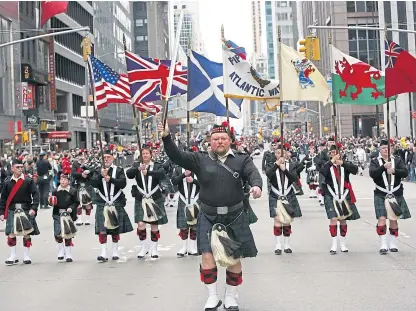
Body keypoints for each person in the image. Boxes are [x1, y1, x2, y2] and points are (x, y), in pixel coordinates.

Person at [159, 121, 262, 311]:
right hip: (208, 215)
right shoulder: (199, 159)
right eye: (215, 139)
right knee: (207, 256)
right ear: (210, 142)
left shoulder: (241, 159)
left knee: (233, 258)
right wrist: (166, 138)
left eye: (223, 138)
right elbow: (177, 156)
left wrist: (256, 186)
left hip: (234, 215)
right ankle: (212, 297)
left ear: (230, 140)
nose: (220, 142)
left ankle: (231, 297)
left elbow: (253, 173)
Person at [90, 150, 133, 262]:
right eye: (104, 157)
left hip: (115, 201)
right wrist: (101, 175)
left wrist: (111, 179)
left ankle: (115, 251)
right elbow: (93, 183)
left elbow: (123, 184)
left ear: (113, 158)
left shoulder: (118, 170)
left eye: (108, 157)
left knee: (115, 229)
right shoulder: (97, 170)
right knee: (102, 229)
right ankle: (103, 252)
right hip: (102, 202)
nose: (106, 159)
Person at [369, 139, 410, 254]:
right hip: (380, 193)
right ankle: (383, 243)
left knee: (393, 220)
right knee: (381, 218)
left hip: (395, 192)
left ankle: (392, 243)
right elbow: (373, 174)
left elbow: (405, 172)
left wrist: (394, 170)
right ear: (379, 150)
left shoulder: (397, 160)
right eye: (383, 148)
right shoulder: (375, 161)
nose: (386, 150)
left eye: (387, 148)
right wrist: (383, 167)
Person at [126, 147, 167, 259]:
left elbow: (162, 174)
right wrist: (138, 169)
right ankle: (144, 247)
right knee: (140, 224)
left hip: (154, 197)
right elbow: (129, 174)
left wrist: (148, 172)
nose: (145, 155)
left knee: (154, 224)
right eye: (143, 154)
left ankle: (154, 248)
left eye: (146, 153)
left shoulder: (157, 165)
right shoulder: (137, 165)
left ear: (150, 155)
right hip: (141, 198)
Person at [320, 145, 360, 254]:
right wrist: (331, 162)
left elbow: (355, 170)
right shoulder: (327, 165)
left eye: (336, 152)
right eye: (332, 152)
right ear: (330, 154)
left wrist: (342, 163)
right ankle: (334, 244)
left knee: (342, 219)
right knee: (333, 219)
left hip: (343, 194)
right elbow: (322, 172)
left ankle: (343, 243)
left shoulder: (344, 165)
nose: (334, 154)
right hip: (330, 194)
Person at [0, 158, 40, 265]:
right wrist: (1, 212)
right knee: (11, 233)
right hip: (12, 210)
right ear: (12, 168)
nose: (20, 169)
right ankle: (13, 255)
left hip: (25, 209)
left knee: (26, 233)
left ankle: (26, 256)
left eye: (21, 167)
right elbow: (3, 198)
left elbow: (36, 195)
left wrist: (34, 208)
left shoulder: (28, 180)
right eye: (17, 167)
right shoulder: (8, 181)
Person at [266, 147, 302, 255]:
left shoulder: (291, 165)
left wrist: (284, 169)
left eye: (282, 153)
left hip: (288, 194)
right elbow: (269, 174)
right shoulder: (270, 165)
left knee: (287, 220)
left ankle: (287, 244)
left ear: (286, 154)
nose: (280, 155)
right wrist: (277, 165)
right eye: (277, 153)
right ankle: (278, 245)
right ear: (275, 155)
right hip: (275, 194)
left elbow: (294, 178)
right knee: (277, 220)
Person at [171, 147, 200, 257]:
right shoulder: (178, 169)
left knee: (194, 225)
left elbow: (205, 184)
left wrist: (194, 181)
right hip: (183, 199)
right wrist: (183, 175)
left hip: (196, 199)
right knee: (183, 225)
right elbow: (173, 181)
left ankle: (192, 247)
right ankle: (183, 247)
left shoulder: (199, 168)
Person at [50, 172, 79, 262]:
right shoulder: (55, 191)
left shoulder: (73, 191)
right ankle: (61, 250)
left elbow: (76, 202)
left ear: (68, 181)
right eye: (61, 179)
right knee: (57, 233)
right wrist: (50, 201)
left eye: (65, 179)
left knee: (67, 234)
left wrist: (71, 208)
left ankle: (68, 253)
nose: (63, 181)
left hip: (68, 215)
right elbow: (52, 202)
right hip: (57, 214)